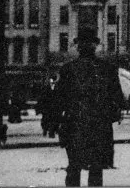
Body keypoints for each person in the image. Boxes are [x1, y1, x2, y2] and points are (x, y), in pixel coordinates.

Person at [53, 27, 124, 186]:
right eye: (84, 43)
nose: (86, 46)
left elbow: (58, 100)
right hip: (87, 126)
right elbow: (118, 99)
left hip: (82, 126)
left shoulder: (70, 69)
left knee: (83, 168)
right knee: (86, 169)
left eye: (89, 43)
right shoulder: (106, 68)